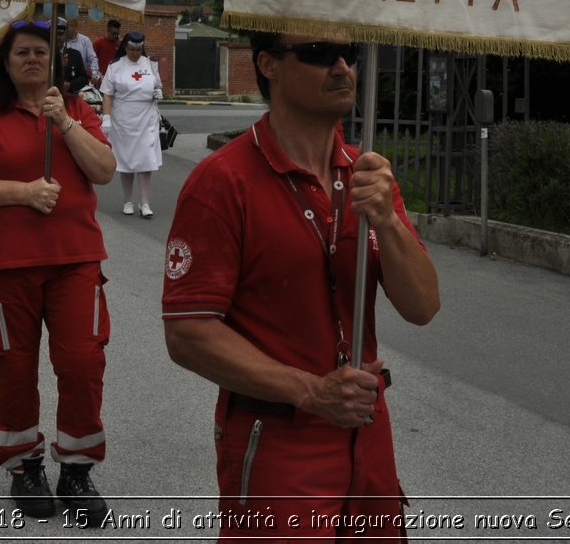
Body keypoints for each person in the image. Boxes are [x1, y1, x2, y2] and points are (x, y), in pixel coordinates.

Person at [162, 32, 441, 537]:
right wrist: (311, 391)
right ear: (268, 64)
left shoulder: (368, 174)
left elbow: (422, 306)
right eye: (318, 54)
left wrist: (389, 221)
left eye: (350, 54)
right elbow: (188, 332)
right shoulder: (221, 181)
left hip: (366, 431)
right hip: (279, 436)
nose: (342, 67)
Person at [0, 19, 116, 521]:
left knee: (83, 363)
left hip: (74, 262)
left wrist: (63, 122)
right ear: (7, 63)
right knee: (14, 369)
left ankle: (78, 470)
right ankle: (24, 465)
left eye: (42, 52)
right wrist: (22, 192)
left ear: (56, 61)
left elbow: (104, 170)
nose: (33, 59)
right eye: (22, 53)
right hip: (6, 267)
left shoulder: (77, 110)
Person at [100, 31, 163, 217]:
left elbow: (157, 86)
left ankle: (145, 203)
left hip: (146, 117)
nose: (135, 53)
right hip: (123, 119)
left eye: (138, 49)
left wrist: (158, 93)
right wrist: (106, 117)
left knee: (145, 160)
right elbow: (108, 94)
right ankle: (128, 200)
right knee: (126, 160)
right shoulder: (116, 66)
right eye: (131, 49)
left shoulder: (150, 63)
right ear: (125, 47)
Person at [59, 16, 99, 82]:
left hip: (80, 77)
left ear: (74, 27)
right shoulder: (61, 40)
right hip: (63, 77)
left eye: (67, 27)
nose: (65, 30)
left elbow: (92, 58)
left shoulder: (85, 40)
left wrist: (94, 73)